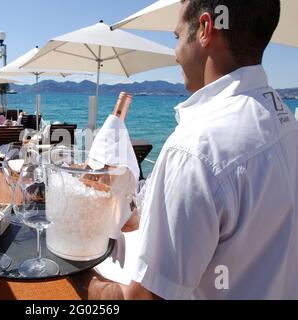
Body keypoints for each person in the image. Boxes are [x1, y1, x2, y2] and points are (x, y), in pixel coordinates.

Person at [75, 0, 298, 300]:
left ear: (205, 28)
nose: (176, 54)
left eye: (177, 37)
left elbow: (144, 298)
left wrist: (80, 273)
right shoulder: (286, 123)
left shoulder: (195, 150)